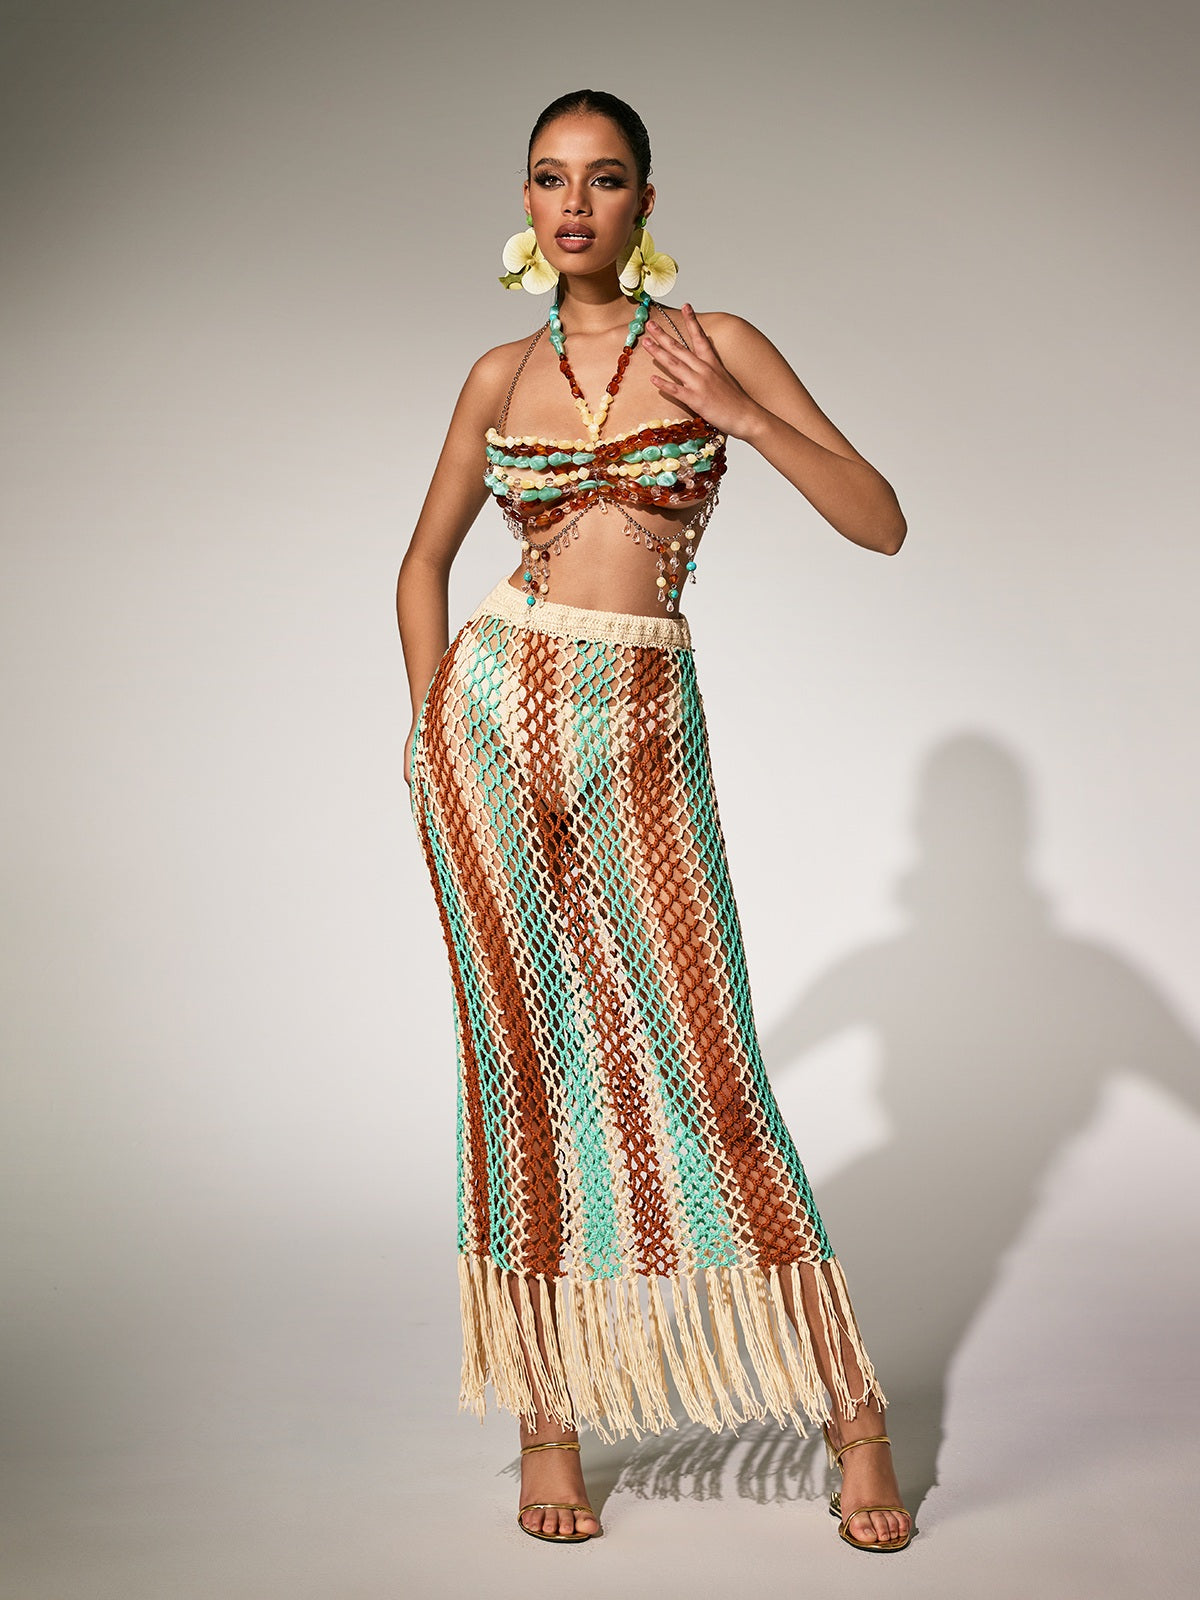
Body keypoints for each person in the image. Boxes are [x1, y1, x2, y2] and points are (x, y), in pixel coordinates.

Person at [397, 89, 913, 1553]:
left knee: (707, 1064)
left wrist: (740, 417)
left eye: (605, 178)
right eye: (551, 179)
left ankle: (854, 1416)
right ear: (527, 202)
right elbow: (421, 565)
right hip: (491, 730)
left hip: (637, 724)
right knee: (522, 1067)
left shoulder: (715, 343)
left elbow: (880, 519)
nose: (576, 204)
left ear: (645, 201)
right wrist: (429, 731)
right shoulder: (499, 373)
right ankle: (549, 1424)